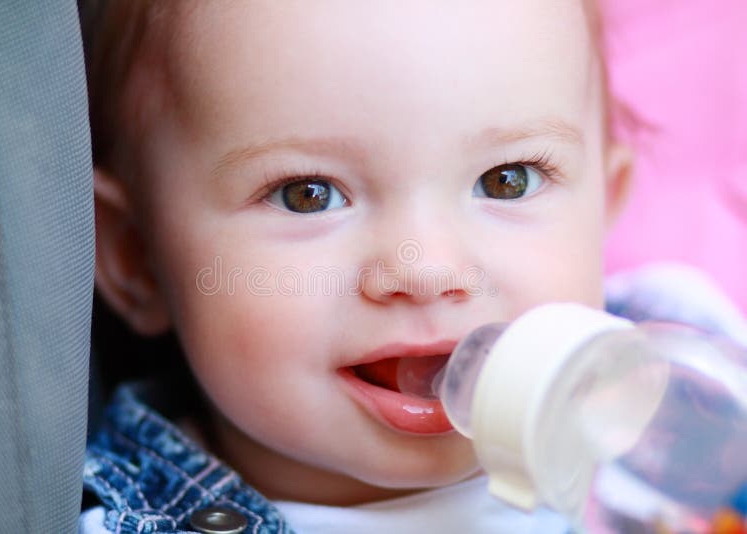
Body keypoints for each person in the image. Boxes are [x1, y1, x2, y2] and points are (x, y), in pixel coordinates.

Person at [77, 1, 745, 532]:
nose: (425, 270)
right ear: (137, 258)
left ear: (604, 208)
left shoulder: (692, 398)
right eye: (308, 195)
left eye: (507, 180)